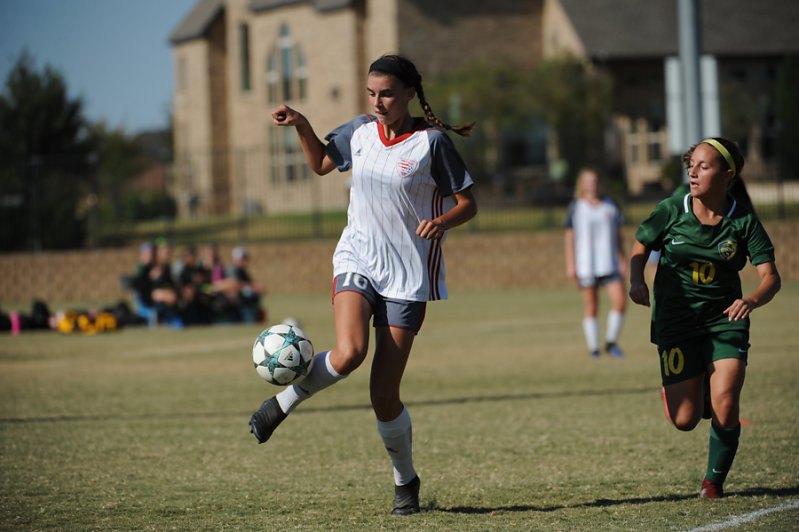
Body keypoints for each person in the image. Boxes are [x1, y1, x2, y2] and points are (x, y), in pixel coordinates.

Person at [248, 54, 477, 515]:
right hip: (357, 257)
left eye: (387, 93)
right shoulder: (360, 131)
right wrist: (302, 124)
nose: (377, 102)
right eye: (372, 93)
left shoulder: (432, 144)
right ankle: (283, 403)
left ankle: (405, 481)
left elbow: (468, 203)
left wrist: (443, 221)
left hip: (407, 275)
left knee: (383, 396)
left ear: (409, 93)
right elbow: (321, 163)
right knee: (349, 352)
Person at [629, 137, 781, 498]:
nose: (693, 173)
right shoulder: (672, 208)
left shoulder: (742, 220)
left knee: (726, 403)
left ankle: (713, 482)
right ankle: (693, 389)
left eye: (704, 166)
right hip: (676, 321)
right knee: (685, 420)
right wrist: (636, 280)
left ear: (727, 175)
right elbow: (641, 244)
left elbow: (771, 277)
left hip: (724, 320)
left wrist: (751, 300)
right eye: (691, 166)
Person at [564, 168, 627, 358]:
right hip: (586, 265)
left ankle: (611, 342)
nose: (592, 185)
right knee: (591, 306)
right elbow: (570, 237)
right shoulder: (576, 207)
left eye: (595, 181)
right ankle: (594, 349)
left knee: (620, 302)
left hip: (609, 263)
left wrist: (622, 258)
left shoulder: (611, 205)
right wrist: (571, 264)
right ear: (582, 184)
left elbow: (618, 235)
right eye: (588, 181)